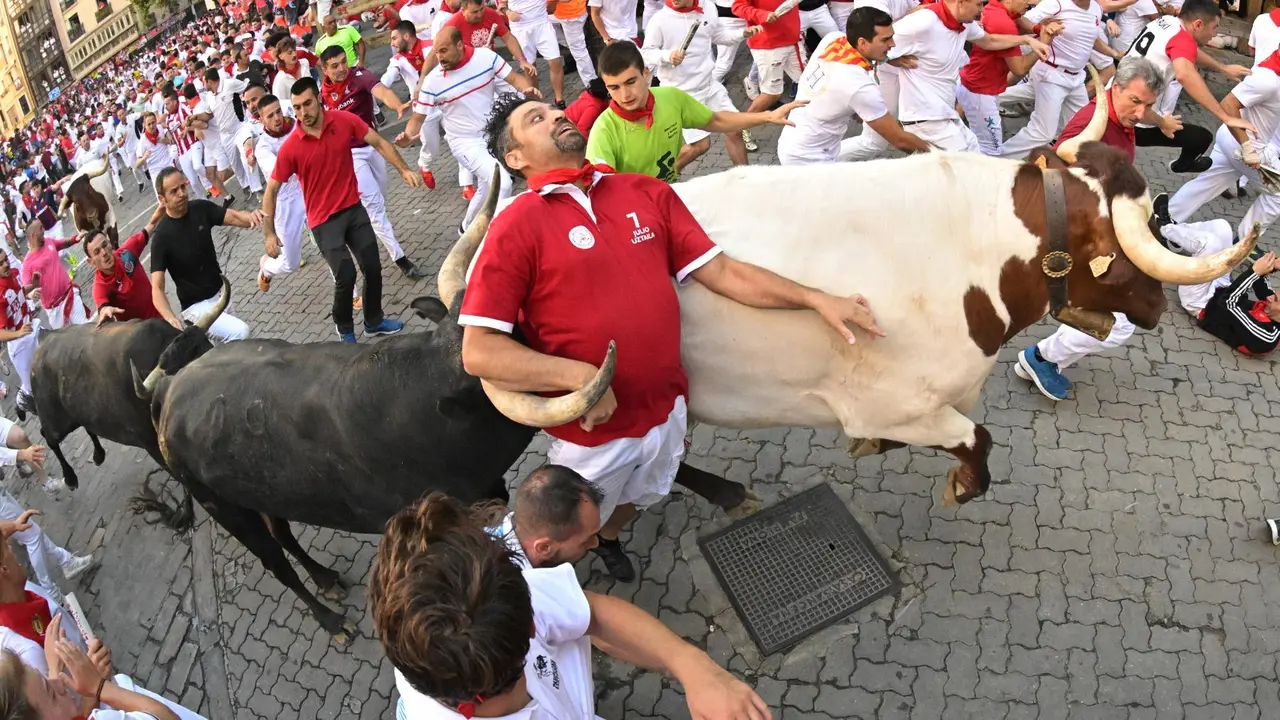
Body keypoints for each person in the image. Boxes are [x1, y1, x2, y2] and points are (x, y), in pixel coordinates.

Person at [466, 94, 884, 581]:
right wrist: (582, 379)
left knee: (639, 498)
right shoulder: (516, 224)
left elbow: (724, 272)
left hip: (667, 413)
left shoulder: (644, 192)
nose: (557, 115)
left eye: (553, 109)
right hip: (594, 435)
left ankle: (607, 538)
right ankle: (524, 605)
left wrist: (816, 298)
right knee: (547, 542)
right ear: (515, 159)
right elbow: (480, 351)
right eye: (535, 119)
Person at [369, 493, 772, 720]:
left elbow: (593, 614)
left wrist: (692, 666)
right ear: (531, 626)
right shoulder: (488, 613)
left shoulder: (435, 626)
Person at [1014, 56, 1164, 402]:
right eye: (1135, 102)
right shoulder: (1088, 125)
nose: (1141, 114)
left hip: (1096, 232)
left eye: (1148, 106)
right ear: (1116, 88)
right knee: (1121, 322)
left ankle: (1045, 357)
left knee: (1119, 317)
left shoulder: (1120, 119)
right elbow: (1057, 179)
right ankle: (1040, 358)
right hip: (1073, 238)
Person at [266, 78, 418, 343]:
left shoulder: (344, 120)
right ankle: (345, 330)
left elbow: (379, 142)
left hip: (353, 209)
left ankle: (373, 321)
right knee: (345, 274)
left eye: (308, 104)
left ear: (320, 100)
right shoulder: (291, 147)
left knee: (372, 266)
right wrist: (269, 232)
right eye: (297, 108)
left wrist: (403, 168)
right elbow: (271, 190)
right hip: (323, 222)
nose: (303, 113)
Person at [842, 0, 1051, 157]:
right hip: (925, 118)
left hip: (944, 113)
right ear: (961, 2)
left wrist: (1026, 39)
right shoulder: (923, 23)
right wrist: (890, 59)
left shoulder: (965, 23)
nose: (982, 11)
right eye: (979, 4)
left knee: (970, 156)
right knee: (967, 165)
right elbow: (868, 44)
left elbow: (988, 40)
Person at [587, 41, 801, 181]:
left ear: (645, 73)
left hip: (671, 194)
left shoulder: (670, 97)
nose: (625, 96)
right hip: (634, 214)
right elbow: (600, 187)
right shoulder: (604, 130)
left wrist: (767, 116)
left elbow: (716, 121)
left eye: (630, 82)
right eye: (614, 88)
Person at [399, 27, 540, 230]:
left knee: (486, 187)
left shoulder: (486, 57)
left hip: (493, 135)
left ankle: (466, 229)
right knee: (502, 182)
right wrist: (408, 136)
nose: (439, 57)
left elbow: (515, 79)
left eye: (444, 51)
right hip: (464, 143)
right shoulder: (432, 82)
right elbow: (417, 118)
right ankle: (495, 234)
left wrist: (527, 90)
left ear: (459, 45)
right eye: (436, 52)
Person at [318, 47, 426, 280]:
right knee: (376, 206)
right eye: (334, 66)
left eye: (342, 62)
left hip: (374, 146)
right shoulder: (322, 96)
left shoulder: (359, 76)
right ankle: (401, 259)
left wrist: (397, 105)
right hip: (351, 156)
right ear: (324, 69)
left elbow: (382, 92)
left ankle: (365, 221)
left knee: (380, 201)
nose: (340, 69)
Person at [778, 7, 931, 165]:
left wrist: (885, 59)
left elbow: (838, 90)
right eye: (885, 40)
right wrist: (942, 156)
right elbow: (899, 140)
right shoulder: (858, 85)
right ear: (862, 42)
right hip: (809, 159)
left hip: (793, 142)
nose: (892, 44)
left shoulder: (833, 39)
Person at [1160, 47, 1280, 240]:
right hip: (1246, 146)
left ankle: (1165, 220)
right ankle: (1243, 244)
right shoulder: (1268, 80)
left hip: (1231, 139)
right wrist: (1247, 147)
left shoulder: (1272, 69)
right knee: (1278, 194)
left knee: (1208, 182)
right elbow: (1228, 104)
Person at [1121, 0, 1252, 173]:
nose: (1214, 34)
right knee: (1202, 138)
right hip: (1138, 120)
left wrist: (1223, 68)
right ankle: (1182, 165)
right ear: (1198, 24)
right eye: (1214, 27)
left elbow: (1191, 51)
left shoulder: (1167, 21)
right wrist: (1225, 117)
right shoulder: (1183, 40)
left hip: (1116, 96)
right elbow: (1185, 74)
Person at [641, 0, 759, 167]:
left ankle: (745, 179)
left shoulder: (708, 7)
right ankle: (659, 178)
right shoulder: (659, 19)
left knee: (734, 129)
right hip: (680, 94)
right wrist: (668, 56)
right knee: (699, 146)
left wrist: (742, 34)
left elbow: (718, 35)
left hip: (709, 85)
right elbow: (647, 53)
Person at [148, 168, 261, 342]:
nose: (182, 194)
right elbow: (157, 288)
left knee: (228, 352)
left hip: (222, 294)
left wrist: (254, 217)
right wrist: (170, 317)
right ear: (162, 199)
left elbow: (235, 217)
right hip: (196, 309)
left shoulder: (200, 208)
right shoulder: (161, 236)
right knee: (241, 332)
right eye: (174, 191)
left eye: (183, 187)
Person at [956, 0, 1054, 156]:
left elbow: (1019, 22)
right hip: (981, 93)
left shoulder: (996, 8)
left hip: (975, 87)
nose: (1029, 4)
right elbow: (1019, 69)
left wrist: (1038, 28)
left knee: (979, 142)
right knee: (992, 151)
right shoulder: (1002, 22)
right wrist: (1043, 43)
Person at [1166, 222, 1280, 355]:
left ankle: (1164, 228)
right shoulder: (1274, 308)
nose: (1269, 297)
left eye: (1276, 299)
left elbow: (1227, 303)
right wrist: (1272, 266)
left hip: (1201, 302)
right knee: (1223, 229)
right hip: (1222, 285)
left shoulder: (1266, 336)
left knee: (1210, 244)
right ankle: (1171, 227)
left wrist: (1254, 272)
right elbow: (1260, 283)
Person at [490, 464, 603, 569]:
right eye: (586, 540)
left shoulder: (496, 530)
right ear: (544, 548)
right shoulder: (520, 586)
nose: (595, 543)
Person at [253, 94, 307, 291]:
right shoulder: (263, 148)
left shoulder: (296, 125)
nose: (277, 118)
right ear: (261, 120)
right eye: (270, 116)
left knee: (329, 242)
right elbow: (283, 170)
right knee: (291, 263)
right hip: (285, 201)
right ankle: (266, 270)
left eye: (278, 112)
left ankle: (351, 295)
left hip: (308, 188)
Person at [89, 219, 163, 325]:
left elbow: (152, 224)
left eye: (105, 245)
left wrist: (165, 206)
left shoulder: (127, 252)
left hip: (162, 316)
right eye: (97, 252)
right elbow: (102, 306)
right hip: (141, 335)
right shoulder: (100, 286)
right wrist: (105, 310)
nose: (104, 253)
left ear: (110, 243)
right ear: (90, 261)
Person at [19, 222, 88, 330]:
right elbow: (24, 291)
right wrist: (31, 294)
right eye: (40, 228)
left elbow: (62, 243)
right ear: (33, 235)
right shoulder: (27, 264)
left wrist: (75, 238)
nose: (44, 230)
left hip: (70, 295)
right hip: (54, 310)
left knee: (85, 328)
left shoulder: (49, 242)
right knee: (66, 343)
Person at [499, 0, 566, 106]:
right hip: (520, 27)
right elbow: (501, 5)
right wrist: (508, 12)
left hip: (542, 23)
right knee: (529, 67)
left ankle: (560, 100)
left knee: (555, 61)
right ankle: (536, 102)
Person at [133, 112, 176, 184]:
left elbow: (172, 142)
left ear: (156, 121)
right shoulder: (142, 140)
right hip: (155, 171)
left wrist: (164, 140)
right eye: (148, 124)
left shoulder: (160, 128)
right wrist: (144, 158)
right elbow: (137, 164)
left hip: (168, 164)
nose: (151, 126)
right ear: (145, 125)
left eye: (153, 123)